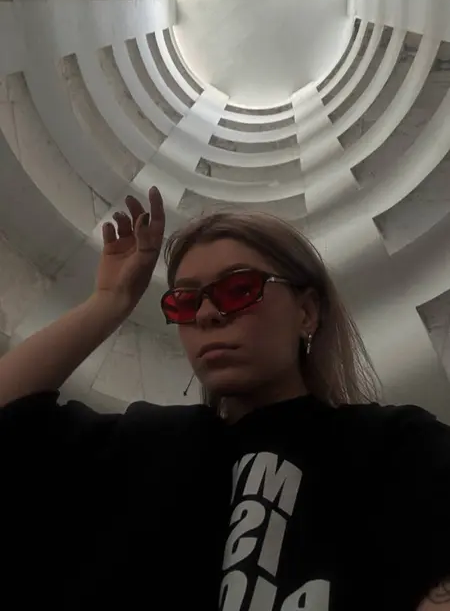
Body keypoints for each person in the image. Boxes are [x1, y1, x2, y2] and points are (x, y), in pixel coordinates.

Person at [0, 186, 449, 611]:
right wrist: (108, 300)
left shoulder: (393, 445)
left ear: (306, 312)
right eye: (185, 302)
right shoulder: (144, 440)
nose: (208, 314)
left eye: (238, 289)